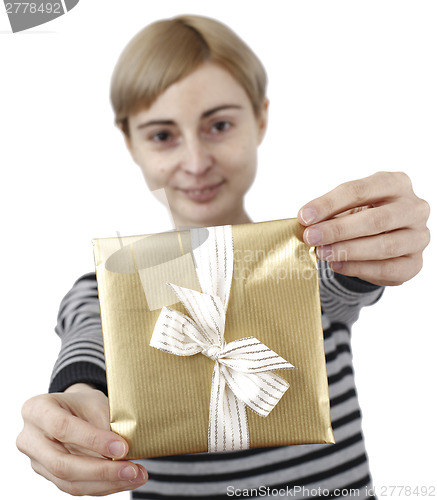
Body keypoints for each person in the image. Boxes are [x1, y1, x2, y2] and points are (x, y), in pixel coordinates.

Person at [16, 14, 430, 499]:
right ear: (130, 142)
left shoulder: (306, 259)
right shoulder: (110, 284)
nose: (195, 162)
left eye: (218, 124)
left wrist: (378, 237)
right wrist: (78, 401)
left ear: (260, 117)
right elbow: (90, 337)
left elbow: (344, 282)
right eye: (162, 135)